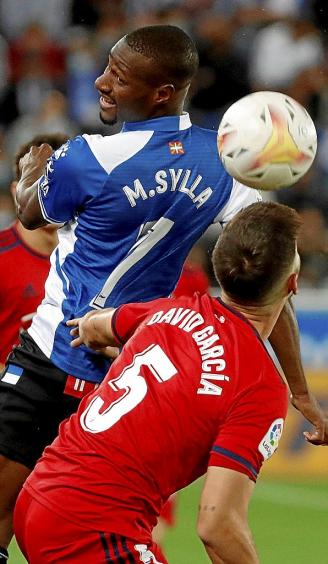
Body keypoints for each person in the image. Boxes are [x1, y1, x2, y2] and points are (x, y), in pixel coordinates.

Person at [0, 24, 326, 562]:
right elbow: (272, 284)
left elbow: (34, 211)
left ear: (162, 92)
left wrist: (29, 173)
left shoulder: (90, 157)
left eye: (119, 77)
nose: (102, 82)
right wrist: (300, 391)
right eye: (107, 67)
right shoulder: (221, 163)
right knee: (112, 513)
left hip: (54, 356)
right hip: (123, 367)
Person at [14, 201, 318, 564]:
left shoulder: (170, 310)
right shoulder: (260, 385)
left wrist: (104, 340)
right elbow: (218, 524)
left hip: (39, 495)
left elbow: (95, 325)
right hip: (93, 527)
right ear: (293, 284)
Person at [0, 133, 68, 370]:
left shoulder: (95, 263)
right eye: (39, 183)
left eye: (60, 184)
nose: (48, 195)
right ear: (17, 191)